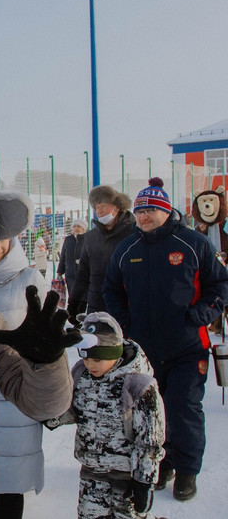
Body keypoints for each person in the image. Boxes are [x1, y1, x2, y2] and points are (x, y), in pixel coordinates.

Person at [103, 178, 228, 502]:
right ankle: (165, 463)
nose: (143, 216)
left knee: (183, 409)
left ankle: (187, 471)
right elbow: (111, 289)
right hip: (144, 351)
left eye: (150, 211)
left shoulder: (193, 243)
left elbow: (219, 285)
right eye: (140, 211)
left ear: (165, 210)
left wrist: (199, 315)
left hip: (188, 347)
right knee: (151, 411)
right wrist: (125, 324)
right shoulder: (127, 248)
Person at [46, 312, 165, 519]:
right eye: (86, 358)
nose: (90, 365)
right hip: (92, 472)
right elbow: (74, 410)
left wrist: (144, 481)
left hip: (127, 476)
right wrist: (53, 415)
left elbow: (149, 440)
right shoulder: (81, 375)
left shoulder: (138, 386)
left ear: (114, 352)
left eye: (97, 359)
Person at [0, 238, 47, 519]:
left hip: (14, 388)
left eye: (3, 237)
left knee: (10, 474)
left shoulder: (29, 278)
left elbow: (47, 329)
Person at [68, 185, 135, 320]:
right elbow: (83, 272)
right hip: (96, 304)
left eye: (103, 206)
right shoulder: (92, 236)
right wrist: (74, 302)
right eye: (96, 207)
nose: (99, 211)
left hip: (125, 305)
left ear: (117, 207)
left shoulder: (133, 234)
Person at [56, 219, 87, 303]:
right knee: (73, 298)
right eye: (74, 226)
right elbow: (63, 256)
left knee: (83, 299)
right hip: (70, 274)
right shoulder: (68, 240)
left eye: (79, 226)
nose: (76, 228)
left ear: (84, 228)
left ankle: (81, 314)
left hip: (84, 274)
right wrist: (60, 272)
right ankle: (73, 315)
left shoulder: (88, 239)